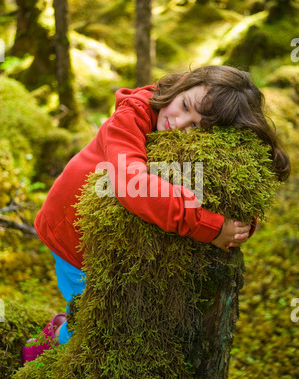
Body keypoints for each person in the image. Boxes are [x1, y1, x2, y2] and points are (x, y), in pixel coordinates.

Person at [22, 65, 290, 363]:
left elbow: (229, 200)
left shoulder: (192, 140)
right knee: (93, 323)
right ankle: (42, 350)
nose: (179, 122)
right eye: (184, 106)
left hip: (115, 249)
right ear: (182, 86)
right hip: (71, 236)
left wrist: (240, 225)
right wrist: (209, 226)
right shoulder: (132, 115)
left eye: (197, 126)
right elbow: (132, 185)